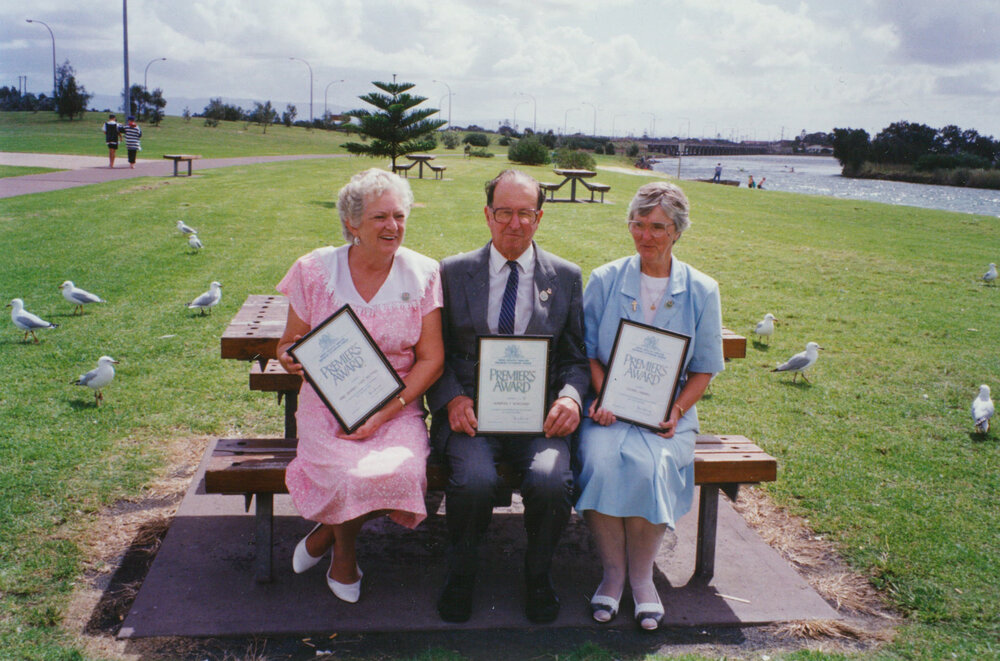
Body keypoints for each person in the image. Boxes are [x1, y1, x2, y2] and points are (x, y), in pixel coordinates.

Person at [275, 168, 444, 603]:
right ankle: (343, 555)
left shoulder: (423, 273)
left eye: (400, 216)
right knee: (345, 473)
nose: (393, 227)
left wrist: (384, 414)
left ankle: (324, 535)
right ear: (352, 224)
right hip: (328, 406)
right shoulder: (314, 271)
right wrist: (290, 356)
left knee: (401, 471)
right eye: (379, 218)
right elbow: (289, 342)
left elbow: (431, 358)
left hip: (397, 407)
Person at [428, 169, 589, 624]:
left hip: (538, 419)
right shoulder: (453, 272)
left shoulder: (566, 276)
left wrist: (572, 399)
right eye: (504, 212)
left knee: (552, 480)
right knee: (476, 480)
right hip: (471, 418)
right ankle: (461, 576)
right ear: (487, 214)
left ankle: (538, 576)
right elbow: (432, 353)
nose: (514, 223)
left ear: (539, 218)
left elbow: (577, 358)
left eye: (525, 213)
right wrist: (453, 398)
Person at [576, 181, 724, 631]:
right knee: (601, 459)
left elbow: (704, 369)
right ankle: (612, 573)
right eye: (638, 224)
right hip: (608, 409)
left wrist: (676, 411)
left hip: (668, 416)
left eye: (658, 226)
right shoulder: (605, 279)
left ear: (677, 230)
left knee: (652, 465)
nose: (646, 235)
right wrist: (603, 396)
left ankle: (642, 579)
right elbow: (588, 353)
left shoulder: (701, 290)